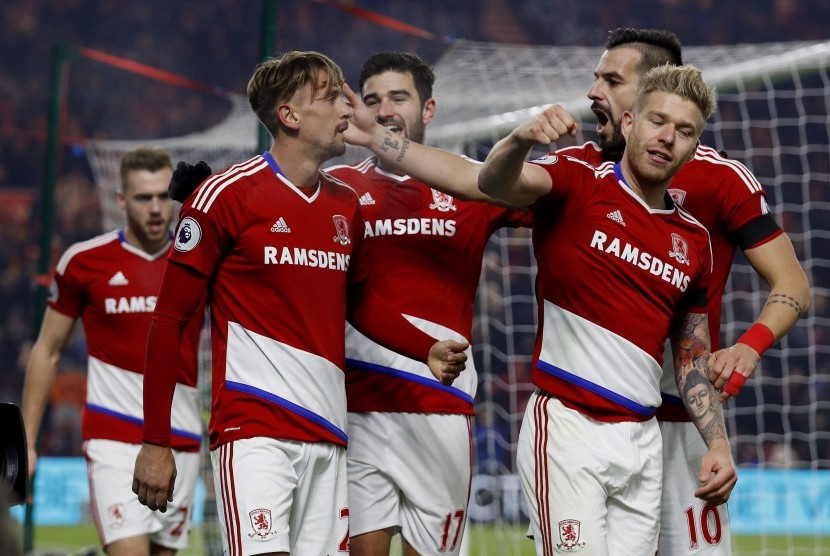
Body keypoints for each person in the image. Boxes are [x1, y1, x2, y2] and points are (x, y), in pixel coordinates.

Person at [347, 62, 737, 554]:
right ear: (631, 122)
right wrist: (519, 140)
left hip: (642, 440)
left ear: (695, 147)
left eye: (683, 131)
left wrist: (718, 441)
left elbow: (691, 356)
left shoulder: (694, 241)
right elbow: (482, 181)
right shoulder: (577, 180)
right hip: (569, 428)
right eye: (657, 121)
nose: (667, 138)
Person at [131, 51, 469, 556]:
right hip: (254, 434)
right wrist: (156, 440)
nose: (348, 112)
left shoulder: (344, 204)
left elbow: (359, 300)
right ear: (289, 115)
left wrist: (426, 348)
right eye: (332, 98)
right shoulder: (223, 197)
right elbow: (170, 320)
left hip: (329, 437)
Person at [555, 28, 810, 555]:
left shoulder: (720, 179)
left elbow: (793, 284)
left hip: (683, 417)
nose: (593, 92)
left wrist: (749, 345)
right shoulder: (584, 170)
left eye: (610, 79)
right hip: (590, 418)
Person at [323, 51, 531, 556]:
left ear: (429, 108)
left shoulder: (473, 185)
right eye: (372, 100)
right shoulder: (337, 189)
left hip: (441, 406)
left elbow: (561, 207)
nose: (385, 109)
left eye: (399, 97)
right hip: (358, 407)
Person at [22, 146, 204, 556]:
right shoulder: (84, 262)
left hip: (183, 441)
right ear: (121, 199)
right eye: (144, 197)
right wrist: (28, 441)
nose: (156, 209)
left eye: (163, 196)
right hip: (113, 439)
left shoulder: (198, 260)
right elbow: (47, 351)